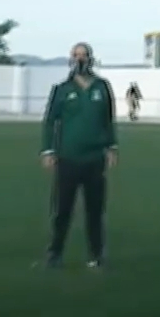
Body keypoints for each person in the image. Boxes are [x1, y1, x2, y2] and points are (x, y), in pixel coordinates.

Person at [40, 42, 118, 269]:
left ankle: (97, 254)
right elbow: (50, 121)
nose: (80, 60)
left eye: (84, 56)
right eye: (76, 56)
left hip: (95, 160)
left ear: (91, 59)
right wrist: (48, 149)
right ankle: (55, 253)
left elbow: (108, 120)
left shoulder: (102, 87)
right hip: (68, 159)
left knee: (95, 211)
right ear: (70, 60)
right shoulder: (62, 89)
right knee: (62, 210)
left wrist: (112, 146)